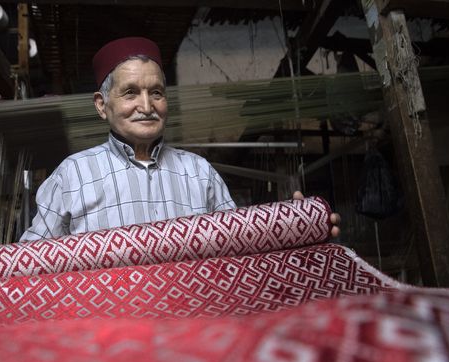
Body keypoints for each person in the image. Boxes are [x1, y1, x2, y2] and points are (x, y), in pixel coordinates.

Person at [18, 36, 341, 241]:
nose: (146, 107)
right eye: (131, 93)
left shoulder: (199, 173)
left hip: (191, 334)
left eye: (156, 93)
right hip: (104, 336)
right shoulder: (73, 175)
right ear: (102, 106)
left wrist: (294, 230)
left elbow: (239, 248)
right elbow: (28, 262)